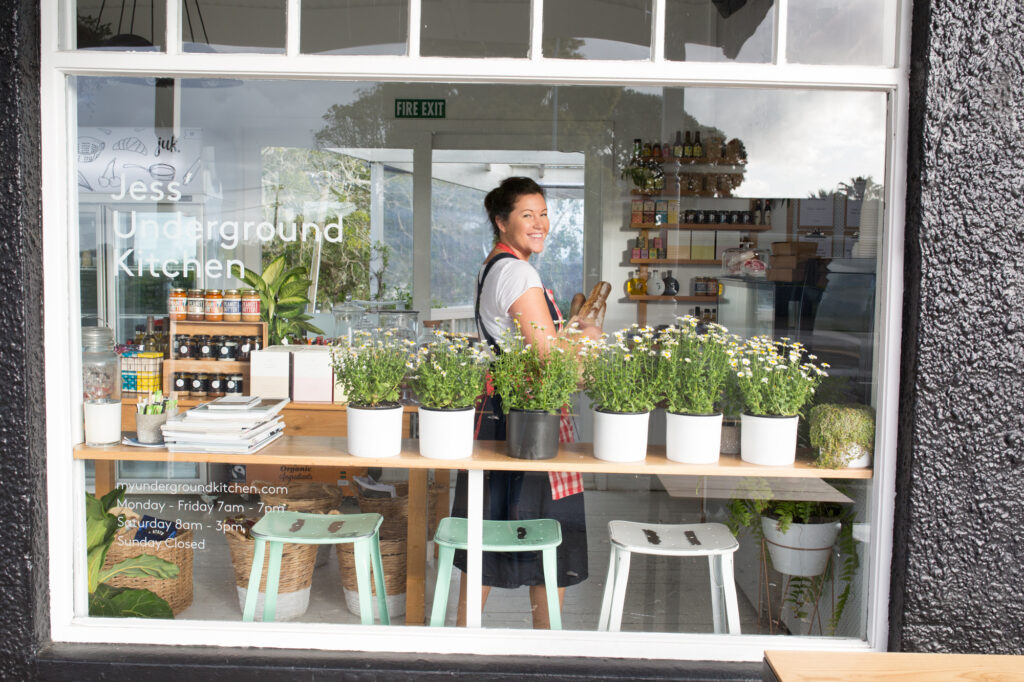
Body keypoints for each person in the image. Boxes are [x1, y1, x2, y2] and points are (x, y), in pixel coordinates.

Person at [450, 176, 601, 629]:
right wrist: (589, 339)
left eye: (544, 214)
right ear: (502, 221)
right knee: (549, 538)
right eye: (527, 214)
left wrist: (567, 332)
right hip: (529, 421)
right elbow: (553, 364)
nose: (540, 224)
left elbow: (531, 346)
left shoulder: (492, 268)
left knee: (486, 532)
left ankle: (462, 641)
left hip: (501, 417)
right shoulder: (518, 273)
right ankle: (546, 648)